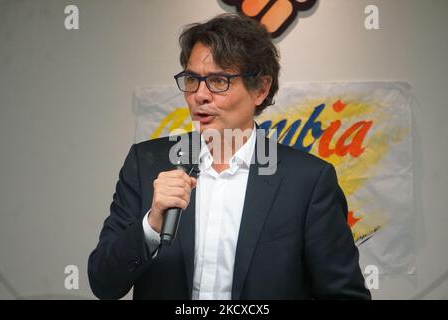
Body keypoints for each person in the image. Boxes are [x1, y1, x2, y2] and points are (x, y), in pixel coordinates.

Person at [88, 13, 371, 300]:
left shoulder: (308, 181)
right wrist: (151, 225)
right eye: (191, 80)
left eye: (218, 81)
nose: (200, 95)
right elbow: (103, 283)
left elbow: (344, 295)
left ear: (260, 89)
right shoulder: (146, 163)